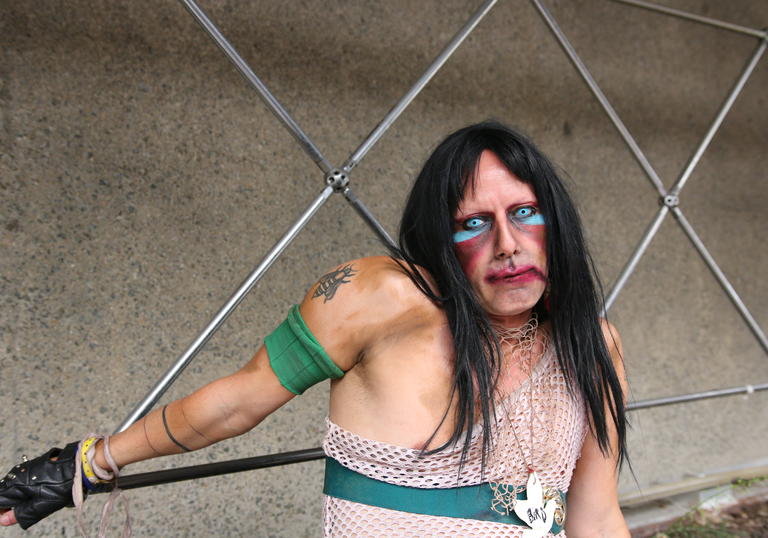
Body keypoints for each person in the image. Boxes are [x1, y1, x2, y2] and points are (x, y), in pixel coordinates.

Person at [0, 121, 629, 537]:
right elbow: (237, 401)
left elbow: (595, 515)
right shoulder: (378, 297)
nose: (508, 244)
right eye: (474, 223)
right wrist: (84, 463)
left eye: (525, 213)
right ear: (441, 241)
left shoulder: (591, 346)